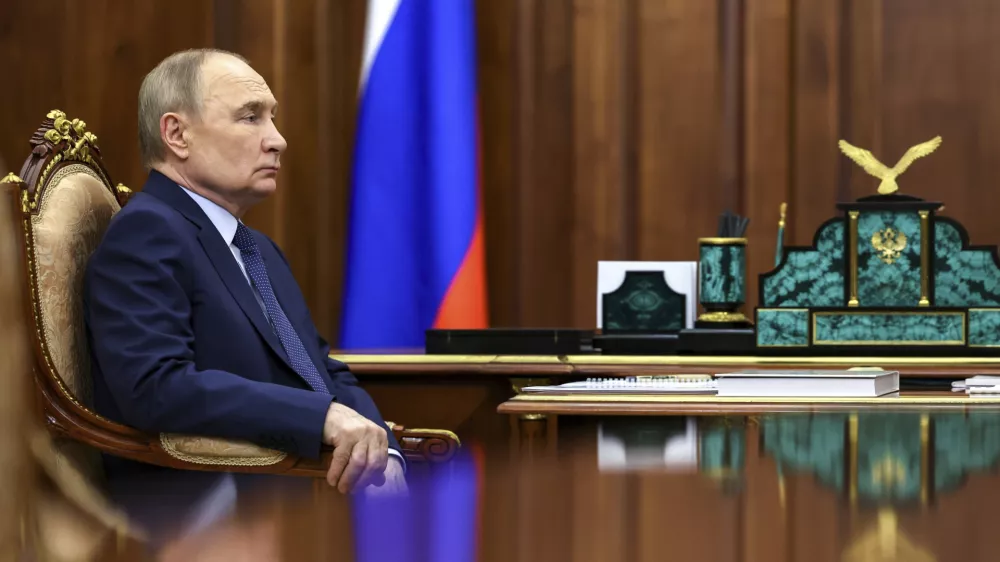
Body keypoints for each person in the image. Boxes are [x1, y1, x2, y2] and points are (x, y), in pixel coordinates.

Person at [83, 48, 407, 539]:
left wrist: (384, 448)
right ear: (177, 134)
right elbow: (156, 386)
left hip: (294, 498)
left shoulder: (254, 247)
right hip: (207, 519)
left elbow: (320, 366)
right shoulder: (147, 232)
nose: (277, 140)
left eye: (272, 118)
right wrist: (323, 418)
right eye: (250, 117)